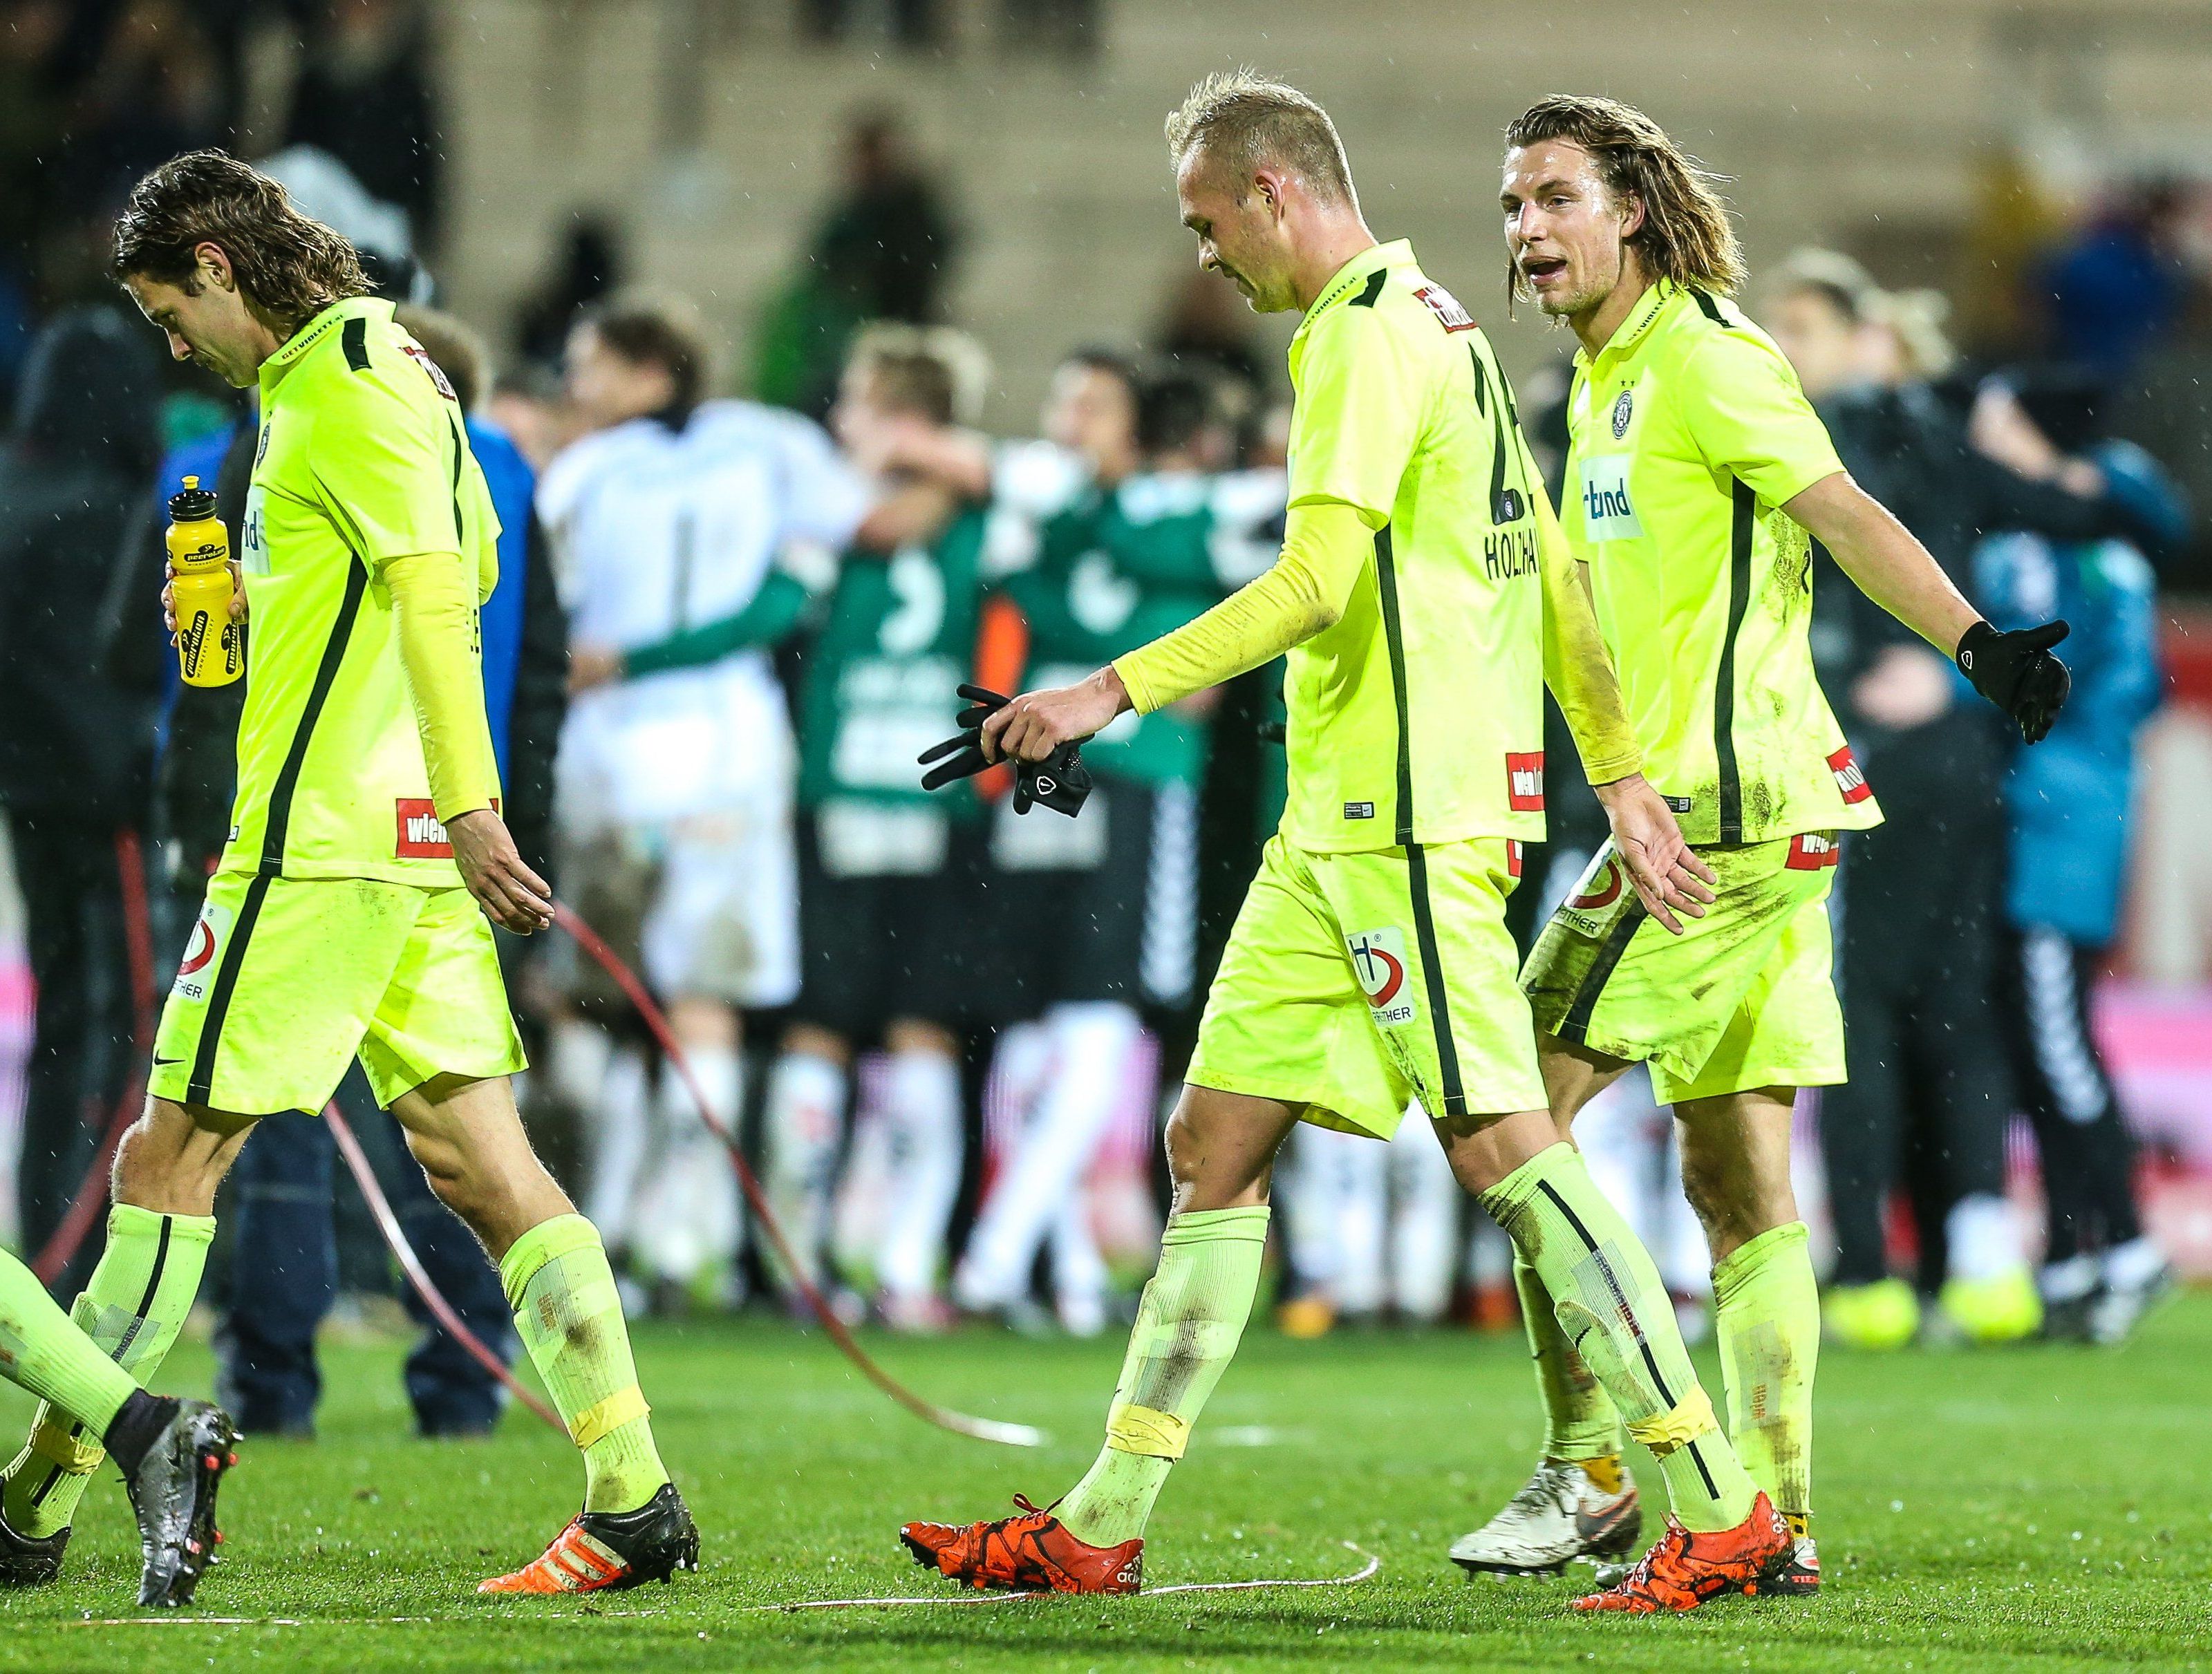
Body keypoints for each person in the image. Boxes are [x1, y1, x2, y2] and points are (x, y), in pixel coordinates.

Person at [903, 71, 1792, 1615]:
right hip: (1334, 829)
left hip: (1408, 820)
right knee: (1211, 1146)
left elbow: (1315, 578)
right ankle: (1101, 1520)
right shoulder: (1436, 325)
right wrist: (1621, 779)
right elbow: (1557, 581)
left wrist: (1103, 690)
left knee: (1507, 1147)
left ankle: (1721, 1503)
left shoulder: (1365, 337)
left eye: (1203, 222)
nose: (1200, 259)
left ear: (1272, 193)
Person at [3, 149, 695, 1597]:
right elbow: (464, 562)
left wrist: (474, 802)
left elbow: (443, 601)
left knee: (164, 1164)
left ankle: (43, 1495)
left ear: (215, 261)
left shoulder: (346, 385)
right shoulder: (388, 376)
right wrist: (244, 607)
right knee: (478, 1160)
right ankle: (633, 1495)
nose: (170, 342)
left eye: (165, 308)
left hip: (321, 847)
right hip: (397, 848)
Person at [1450, 96, 2073, 1598]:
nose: (1525, 228)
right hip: (1773, 818)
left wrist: (1977, 643)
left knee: (1508, 1109)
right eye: (1513, 202)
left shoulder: (1709, 361)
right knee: (1738, 1181)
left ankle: (1595, 1466)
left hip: (1715, 822)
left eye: (1553, 198)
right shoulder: (1597, 384)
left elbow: (1842, 509)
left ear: (1634, 212)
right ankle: (1776, 1518)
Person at [211, 303, 569, 1438]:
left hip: (330, 835)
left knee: (215, 1138)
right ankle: (544, 1432)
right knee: (479, 1159)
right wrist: (507, 816)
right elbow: (540, 665)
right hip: (452, 838)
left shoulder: (317, 417)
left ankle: (249, 1399)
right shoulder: (493, 472)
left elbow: (357, 640)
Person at [542, 293, 865, 1312]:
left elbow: (546, 606)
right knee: (702, 1005)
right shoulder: (768, 446)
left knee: (604, 1004)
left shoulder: (584, 472)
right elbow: (797, 588)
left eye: (591, 366)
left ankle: (608, 1241)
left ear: (650, 372)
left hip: (612, 753)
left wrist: (621, 656)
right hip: (730, 749)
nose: (574, 388)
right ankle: (689, 1245)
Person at [952, 365, 1284, 1331]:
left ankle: (1021, 1260)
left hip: (1134, 777)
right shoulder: (1058, 509)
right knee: (1055, 1017)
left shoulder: (1177, 507)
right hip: (1056, 776)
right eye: (1057, 403)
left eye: (1089, 406)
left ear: (1142, 428)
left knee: (1092, 1017)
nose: (1064, 424)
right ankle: (1029, 1260)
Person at [751, 324, 995, 1330]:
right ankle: (906, 1270)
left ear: (898, 415)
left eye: (857, 398)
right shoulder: (989, 516)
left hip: (842, 785)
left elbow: (778, 603)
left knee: (822, 1024)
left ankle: (800, 1263)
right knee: (921, 1029)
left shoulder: (819, 518)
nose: (840, 419)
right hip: (935, 792)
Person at [1973, 382, 2184, 1343]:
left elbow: (2073, 689)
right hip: (2059, 814)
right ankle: (2067, 1261)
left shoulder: (2073, 546)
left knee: (2058, 1048)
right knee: (2038, 1048)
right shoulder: (2096, 541)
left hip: (2059, 823)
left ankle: (2132, 1246)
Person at [0, 308, 162, 1281]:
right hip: (113, 806)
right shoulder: (121, 510)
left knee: (66, 1015)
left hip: (28, 792)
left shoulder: (11, 494)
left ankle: (45, 1236)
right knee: (126, 1023)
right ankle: (84, 1257)